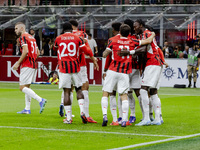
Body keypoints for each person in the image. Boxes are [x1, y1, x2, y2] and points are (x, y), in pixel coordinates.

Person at [101, 24, 155, 127]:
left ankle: (105, 116)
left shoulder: (112, 40)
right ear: (129, 33)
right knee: (124, 95)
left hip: (112, 71)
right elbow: (147, 41)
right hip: (124, 72)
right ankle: (125, 120)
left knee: (106, 93)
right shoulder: (131, 41)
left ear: (120, 32)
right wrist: (152, 34)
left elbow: (105, 54)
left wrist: (107, 51)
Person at [54, 22, 99, 124]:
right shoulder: (78, 38)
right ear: (71, 29)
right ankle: (83, 112)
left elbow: (55, 49)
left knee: (67, 91)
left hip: (64, 67)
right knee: (79, 89)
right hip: (76, 66)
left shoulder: (58, 38)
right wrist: (93, 58)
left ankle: (69, 118)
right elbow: (86, 50)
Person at [133, 19, 163, 126]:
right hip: (155, 63)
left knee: (143, 89)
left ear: (141, 25)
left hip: (152, 63)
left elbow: (144, 49)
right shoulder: (146, 34)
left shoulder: (146, 34)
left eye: (135, 26)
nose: (134, 28)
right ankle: (158, 118)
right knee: (153, 91)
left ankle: (146, 118)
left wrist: (131, 52)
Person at [13, 22, 47, 114]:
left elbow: (25, 51)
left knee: (22, 87)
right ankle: (27, 109)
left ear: (21, 28)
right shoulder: (32, 38)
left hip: (27, 64)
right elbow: (38, 53)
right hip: (33, 64)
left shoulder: (23, 37)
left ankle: (40, 100)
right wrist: (32, 59)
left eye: (16, 28)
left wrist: (18, 63)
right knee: (27, 87)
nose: (15, 30)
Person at [68, 19, 98, 123]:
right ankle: (86, 114)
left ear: (71, 26)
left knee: (69, 89)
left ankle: (69, 116)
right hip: (81, 64)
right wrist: (93, 59)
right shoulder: (82, 34)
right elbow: (87, 48)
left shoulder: (65, 36)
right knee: (84, 87)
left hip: (69, 65)